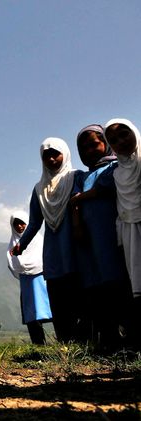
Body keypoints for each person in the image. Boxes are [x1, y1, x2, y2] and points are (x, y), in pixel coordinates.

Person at [11, 138, 80, 343]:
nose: (51, 159)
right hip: (53, 250)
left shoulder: (76, 178)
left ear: (65, 154)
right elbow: (34, 223)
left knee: (79, 292)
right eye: (46, 156)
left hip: (76, 244)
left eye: (55, 154)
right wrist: (20, 246)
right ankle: (65, 343)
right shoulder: (39, 189)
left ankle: (86, 341)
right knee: (57, 297)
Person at [70, 124, 131, 350]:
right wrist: (77, 226)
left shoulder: (115, 167)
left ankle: (127, 335)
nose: (89, 150)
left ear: (106, 144)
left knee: (117, 279)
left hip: (110, 232)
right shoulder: (83, 176)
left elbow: (105, 189)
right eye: (83, 147)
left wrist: (79, 199)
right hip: (88, 237)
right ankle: (107, 338)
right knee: (96, 285)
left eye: (94, 144)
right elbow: (73, 202)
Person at [104, 118, 141, 348]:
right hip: (130, 230)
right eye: (114, 140)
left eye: (124, 134)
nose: (121, 141)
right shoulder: (118, 173)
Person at [6, 212, 52, 345]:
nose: (20, 226)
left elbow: (46, 257)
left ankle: (65, 342)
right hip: (27, 284)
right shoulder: (12, 246)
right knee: (32, 315)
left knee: (52, 309)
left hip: (43, 279)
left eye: (22, 223)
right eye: (16, 224)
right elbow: (13, 264)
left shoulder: (39, 240)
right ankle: (38, 345)